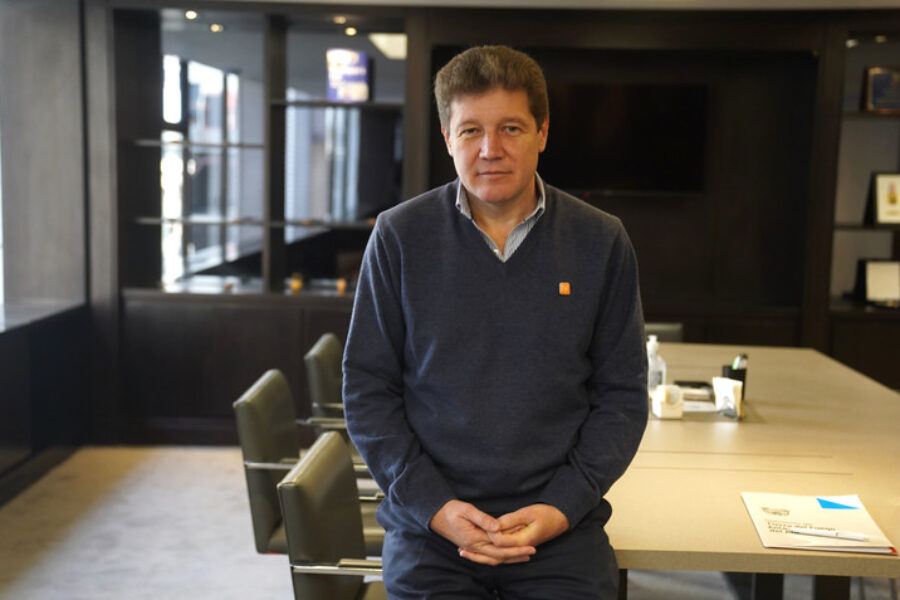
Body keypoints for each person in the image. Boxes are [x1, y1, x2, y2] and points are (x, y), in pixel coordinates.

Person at [343, 45, 648, 599]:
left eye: (511, 128)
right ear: (447, 138)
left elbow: (623, 396)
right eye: (470, 131)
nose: (490, 150)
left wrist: (562, 505)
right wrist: (435, 506)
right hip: (432, 529)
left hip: (559, 527)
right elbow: (367, 389)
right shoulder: (399, 237)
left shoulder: (601, 240)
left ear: (542, 133)